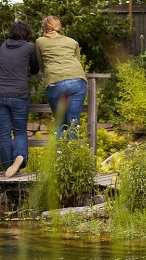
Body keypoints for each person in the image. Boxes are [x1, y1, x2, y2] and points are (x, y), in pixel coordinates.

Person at [36, 16, 88, 140]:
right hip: (77, 81)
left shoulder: (40, 41)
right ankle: (72, 157)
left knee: (60, 122)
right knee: (73, 122)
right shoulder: (72, 42)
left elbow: (41, 65)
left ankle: (59, 156)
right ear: (60, 27)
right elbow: (77, 61)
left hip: (55, 82)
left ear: (44, 28)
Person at [0, 21, 39, 178]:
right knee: (20, 131)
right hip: (19, 95)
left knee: (3, 133)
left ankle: (7, 167)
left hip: (1, 95)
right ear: (27, 34)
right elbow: (35, 68)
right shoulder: (29, 47)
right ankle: (20, 157)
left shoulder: (2, 47)